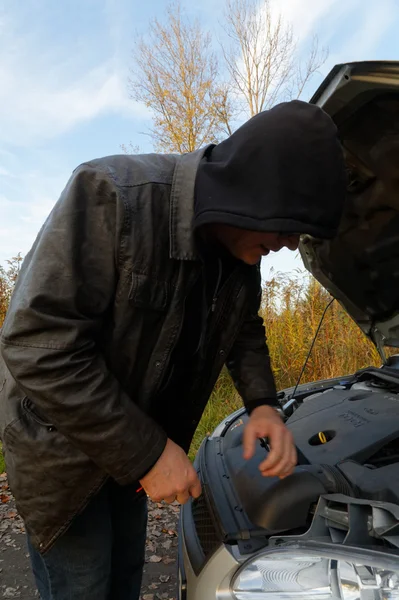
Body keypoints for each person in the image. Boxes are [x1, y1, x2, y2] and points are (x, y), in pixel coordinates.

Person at [0, 99, 346, 600]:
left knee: (122, 583)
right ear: (256, 191)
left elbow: (243, 326)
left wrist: (263, 404)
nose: (291, 244)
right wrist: (148, 454)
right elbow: (36, 343)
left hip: (130, 447)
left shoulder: (237, 250)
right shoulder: (112, 195)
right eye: (289, 225)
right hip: (64, 455)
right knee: (83, 587)